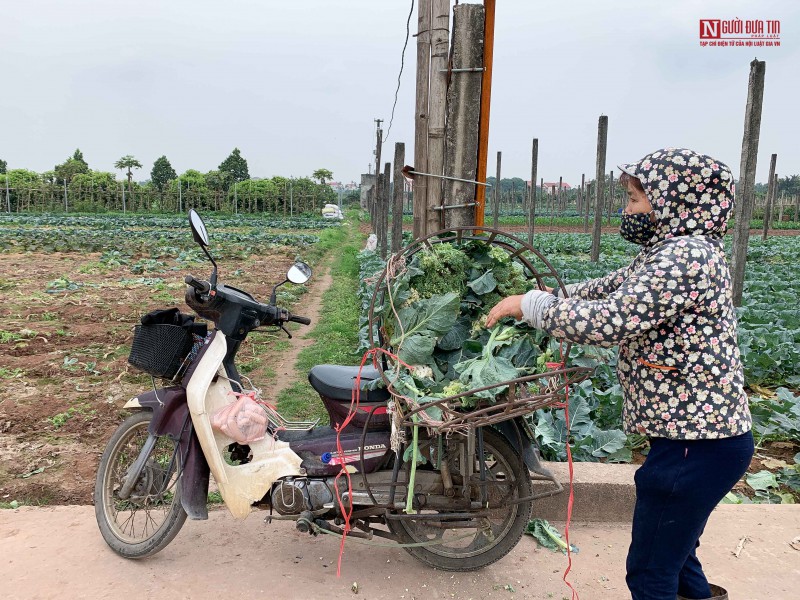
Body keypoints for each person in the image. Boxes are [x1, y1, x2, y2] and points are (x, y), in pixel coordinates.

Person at [486, 147, 753, 600]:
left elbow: (610, 320)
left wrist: (530, 306)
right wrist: (550, 293)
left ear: (675, 199)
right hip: (700, 442)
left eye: (633, 199)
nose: (625, 209)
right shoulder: (668, 251)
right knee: (678, 553)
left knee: (650, 572)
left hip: (696, 447)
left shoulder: (684, 258)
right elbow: (606, 289)